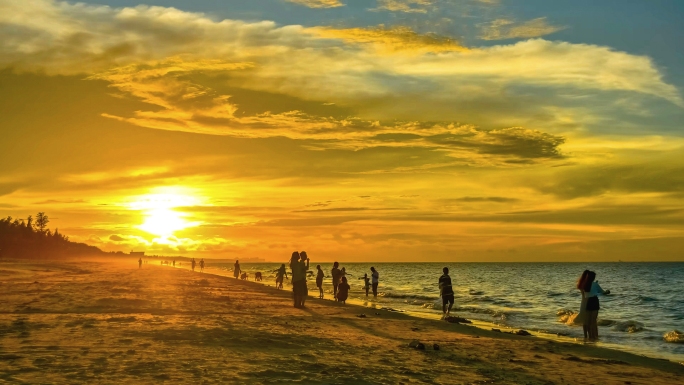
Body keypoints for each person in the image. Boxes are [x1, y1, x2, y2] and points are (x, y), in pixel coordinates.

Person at [584, 271, 610, 341]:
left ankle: (590, 336)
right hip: (594, 301)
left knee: (589, 321)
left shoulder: (585, 284)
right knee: (593, 321)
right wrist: (608, 291)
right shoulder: (595, 284)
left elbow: (587, 293)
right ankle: (595, 336)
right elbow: (603, 292)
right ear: (593, 277)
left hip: (587, 302)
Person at [574, 270, 590, 338]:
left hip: (583, 302)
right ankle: (589, 334)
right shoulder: (586, 284)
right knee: (588, 320)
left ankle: (585, 335)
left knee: (584, 320)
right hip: (587, 302)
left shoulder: (581, 283)